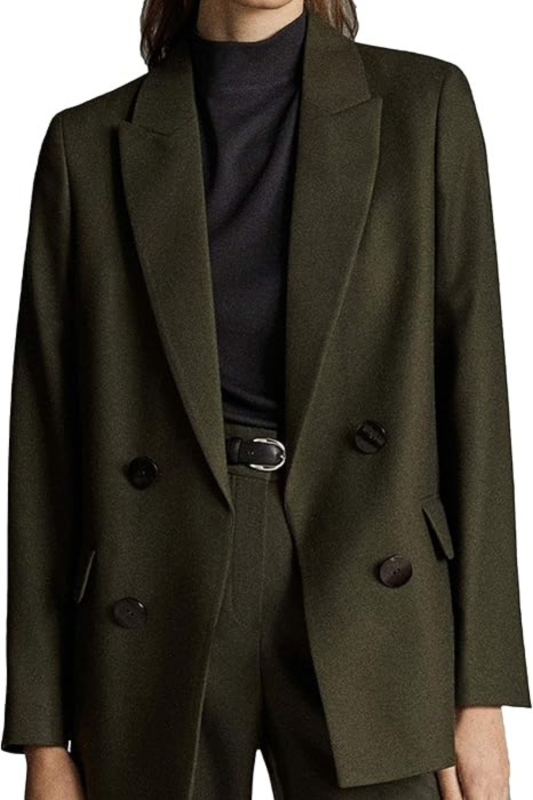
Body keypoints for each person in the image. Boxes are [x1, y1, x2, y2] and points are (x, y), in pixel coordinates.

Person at [2, 0, 530, 798]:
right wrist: (43, 739)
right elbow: (44, 448)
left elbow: (476, 398)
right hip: (155, 589)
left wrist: (478, 691)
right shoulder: (87, 143)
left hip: (369, 584)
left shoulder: (422, 107)